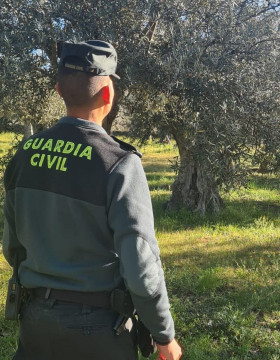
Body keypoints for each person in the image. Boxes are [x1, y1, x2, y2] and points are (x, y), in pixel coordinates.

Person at [2, 40, 182, 360]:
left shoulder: (24, 155)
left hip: (35, 320)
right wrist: (163, 334)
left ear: (58, 90)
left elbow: (12, 247)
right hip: (97, 328)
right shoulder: (119, 164)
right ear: (108, 94)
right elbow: (140, 267)